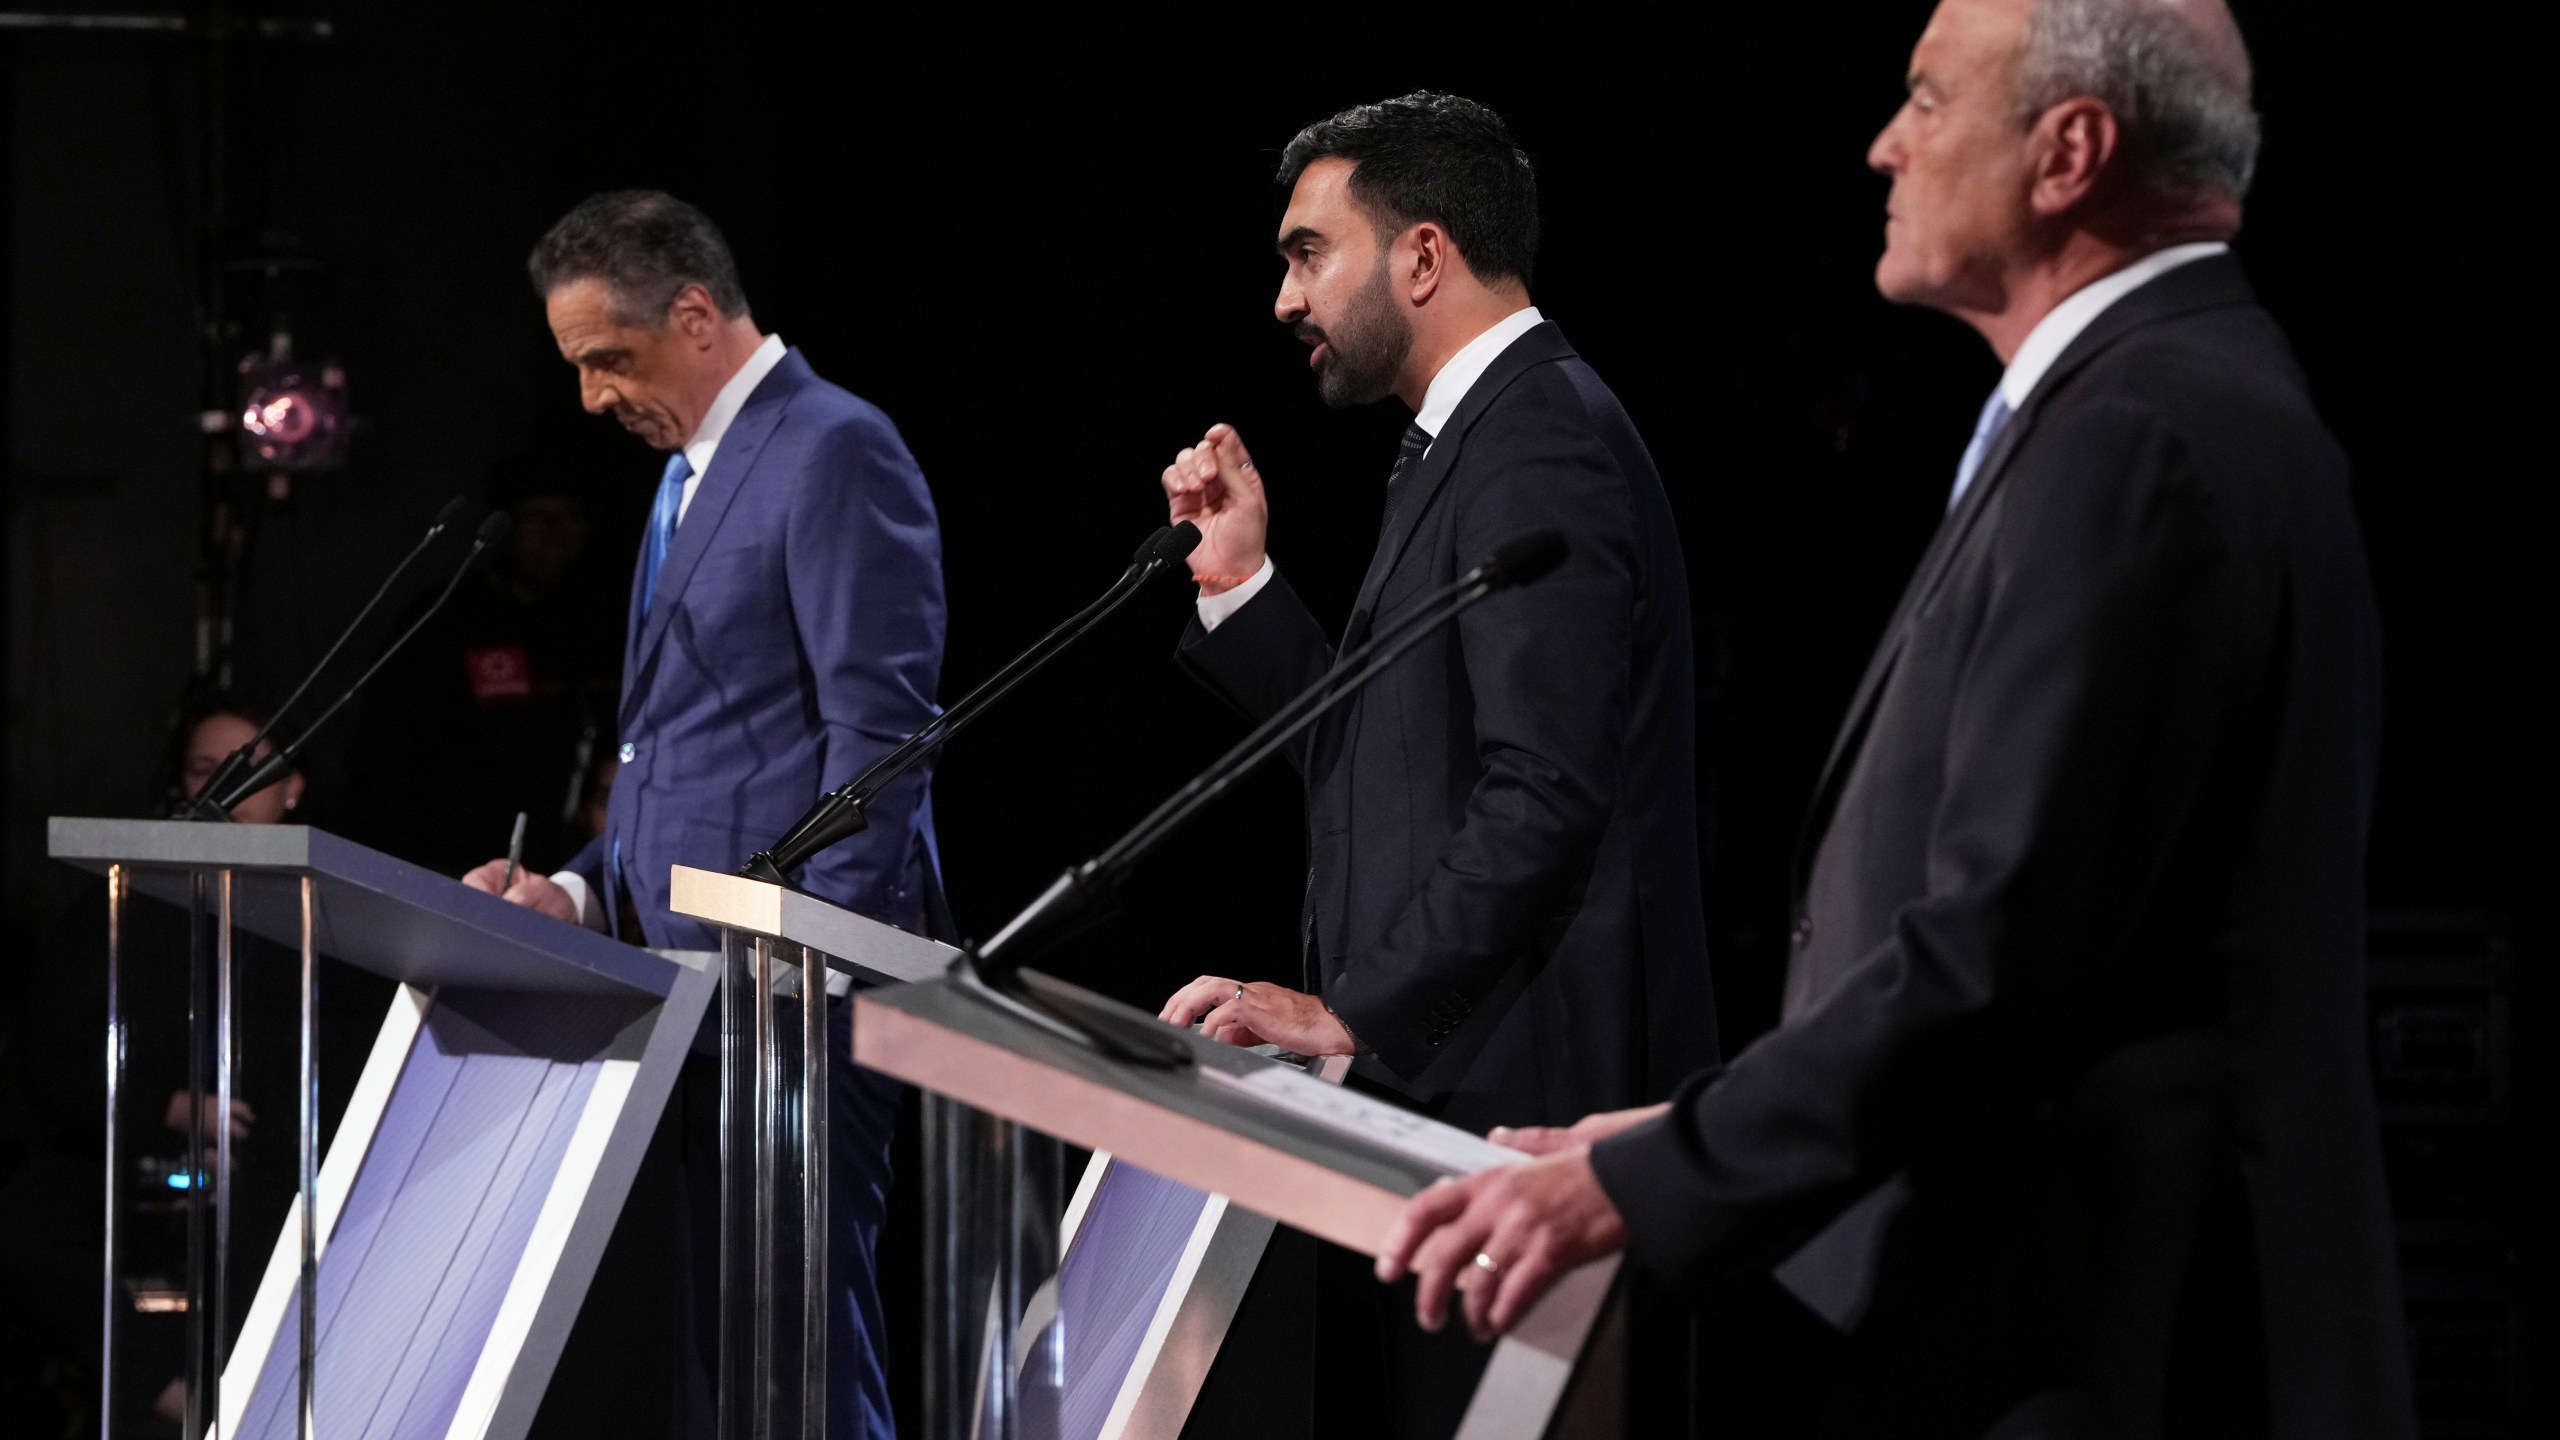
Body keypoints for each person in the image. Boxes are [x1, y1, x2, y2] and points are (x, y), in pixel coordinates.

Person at [1377, 3, 2417, 1436]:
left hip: (2112, 1350)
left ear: (2069, 152)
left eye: (1927, 102)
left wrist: (1644, 1178)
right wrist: (1686, 1128)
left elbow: (1992, 958)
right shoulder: (2160, 399)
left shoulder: (2142, 434)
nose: (1883, 146)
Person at [1152, 93, 1716, 1430]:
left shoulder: (1540, 440)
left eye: (1307, 253)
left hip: (1524, 1112)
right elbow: (1401, 761)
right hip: (1455, 1097)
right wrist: (1241, 587)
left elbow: (1544, 794)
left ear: (1420, 255)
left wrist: (1356, 1014)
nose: (1285, 298)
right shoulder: (1474, 441)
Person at [461, 190, 945, 1440]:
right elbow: (672, 752)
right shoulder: (692, 471)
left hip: (791, 1006)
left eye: (606, 360)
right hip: (688, 990)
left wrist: (812, 967)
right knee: (723, 1379)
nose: (589, 398)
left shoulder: (834, 447)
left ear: (693, 314)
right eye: (574, 367)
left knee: (798, 1370)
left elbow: (878, 747)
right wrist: (571, 888)